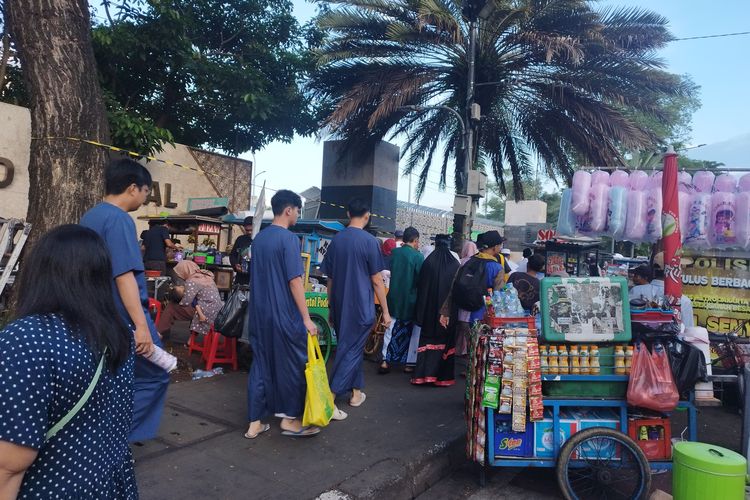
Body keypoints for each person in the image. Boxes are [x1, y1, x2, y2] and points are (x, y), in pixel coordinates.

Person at [0, 225, 137, 498]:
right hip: (110, 487)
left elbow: (8, 466)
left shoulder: (27, 338)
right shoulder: (121, 335)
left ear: (39, 272)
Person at [80, 159, 170, 443]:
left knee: (109, 379)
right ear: (133, 188)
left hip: (95, 314)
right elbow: (124, 276)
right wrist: (141, 326)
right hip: (123, 317)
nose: (145, 199)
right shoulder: (119, 220)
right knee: (157, 373)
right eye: (145, 192)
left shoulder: (90, 217)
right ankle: (112, 439)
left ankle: (99, 433)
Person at [246, 190, 337, 439]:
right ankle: (289, 419)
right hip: (284, 315)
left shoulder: (259, 239)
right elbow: (295, 282)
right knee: (295, 365)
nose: (298, 214)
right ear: (288, 210)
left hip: (258, 315)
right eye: (297, 210)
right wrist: (307, 319)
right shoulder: (288, 240)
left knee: (261, 364)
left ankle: (255, 422)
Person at [321, 198, 391, 408]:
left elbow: (330, 280)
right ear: (367, 216)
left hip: (341, 306)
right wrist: (386, 312)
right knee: (350, 350)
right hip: (361, 307)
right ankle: (329, 400)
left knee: (351, 348)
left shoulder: (337, 240)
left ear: (348, 214)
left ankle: (356, 392)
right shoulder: (370, 242)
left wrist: (331, 307)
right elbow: (377, 280)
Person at [412, 234, 461, 386]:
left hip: (429, 311)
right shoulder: (454, 264)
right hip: (446, 313)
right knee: (444, 342)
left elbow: (421, 288)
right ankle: (442, 378)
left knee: (428, 341)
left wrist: (420, 313)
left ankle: (424, 376)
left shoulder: (429, 262)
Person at [440, 230, 509, 328]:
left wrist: (445, 312)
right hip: (482, 319)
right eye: (500, 245)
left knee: (461, 342)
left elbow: (453, 287)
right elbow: (499, 297)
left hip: (461, 315)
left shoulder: (466, 261)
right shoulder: (496, 268)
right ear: (495, 247)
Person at [379, 227, 423, 374]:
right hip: (411, 299)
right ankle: (408, 363)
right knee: (411, 332)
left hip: (393, 297)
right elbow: (419, 280)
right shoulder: (418, 257)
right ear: (415, 240)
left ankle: (385, 360)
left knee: (390, 329)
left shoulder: (394, 253)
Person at [157, 261, 223, 337]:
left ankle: (158, 332)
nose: (180, 276)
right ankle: (190, 340)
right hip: (216, 310)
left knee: (171, 306)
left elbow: (186, 302)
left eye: (180, 273)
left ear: (185, 270)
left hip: (205, 312)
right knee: (195, 305)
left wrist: (177, 299)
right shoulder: (205, 276)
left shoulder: (192, 281)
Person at [454, 240, 479, 358]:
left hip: (460, 299)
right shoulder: (476, 263)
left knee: (460, 327)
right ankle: (466, 350)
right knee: (468, 328)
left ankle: (458, 348)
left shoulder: (460, 262)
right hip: (472, 301)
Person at [230, 216, 254, 286]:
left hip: (255, 276)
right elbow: (232, 255)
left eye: (251, 230)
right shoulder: (240, 239)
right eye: (247, 230)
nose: (249, 232)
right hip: (241, 276)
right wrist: (235, 264)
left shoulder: (260, 239)